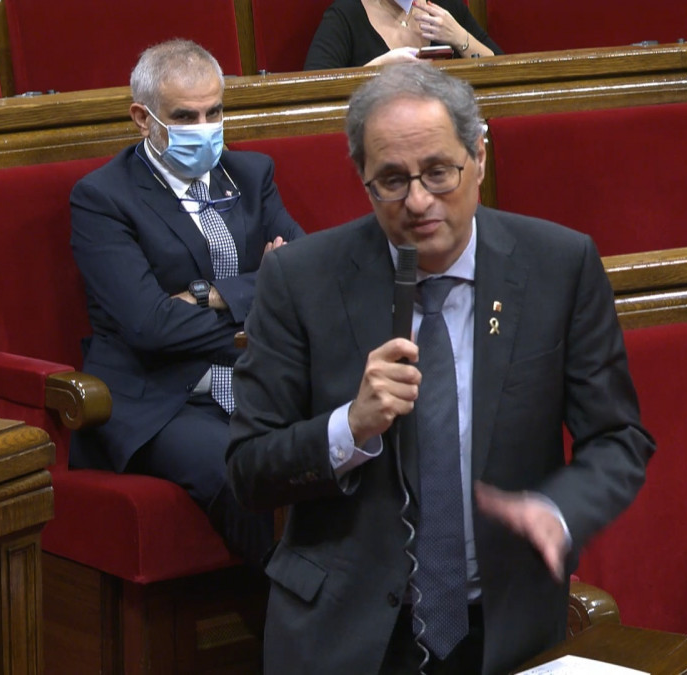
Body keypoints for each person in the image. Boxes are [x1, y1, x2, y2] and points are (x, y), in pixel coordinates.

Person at [226, 62, 653, 674]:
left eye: (438, 172)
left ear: (479, 156)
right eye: (392, 181)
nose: (419, 201)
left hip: (508, 625)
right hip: (344, 634)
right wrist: (349, 427)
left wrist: (559, 510)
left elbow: (618, 438)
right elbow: (247, 471)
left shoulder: (560, 265)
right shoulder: (299, 280)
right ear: (364, 181)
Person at [69, 39, 305, 570]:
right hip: (163, 397)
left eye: (214, 111)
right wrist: (260, 295)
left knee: (356, 442)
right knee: (245, 471)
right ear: (143, 118)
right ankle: (302, 626)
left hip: (257, 378)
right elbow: (150, 326)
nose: (204, 126)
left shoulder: (250, 175)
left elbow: (302, 275)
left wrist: (212, 294)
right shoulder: (103, 198)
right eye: (185, 116)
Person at [305, 0, 501, 70]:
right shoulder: (345, 14)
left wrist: (460, 37)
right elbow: (316, 88)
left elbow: (503, 71)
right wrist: (379, 69)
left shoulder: (446, 7)